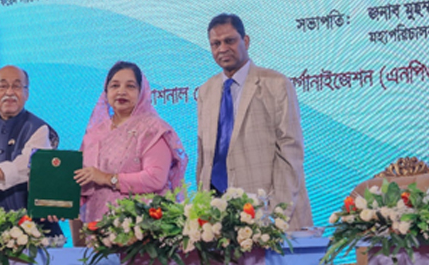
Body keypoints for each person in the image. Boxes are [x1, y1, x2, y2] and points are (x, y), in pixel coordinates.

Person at [196, 13, 312, 229]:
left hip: (267, 213)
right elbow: (204, 157)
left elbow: (290, 151)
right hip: (218, 217)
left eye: (229, 41)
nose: (222, 49)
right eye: (215, 44)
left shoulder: (275, 84)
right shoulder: (206, 91)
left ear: (245, 41)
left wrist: (277, 214)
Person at [75, 62, 188, 224]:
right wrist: (59, 206)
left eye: (130, 86)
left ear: (141, 92)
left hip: (140, 228)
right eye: (114, 86)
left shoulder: (152, 129)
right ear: (106, 92)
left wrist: (108, 178)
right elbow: (84, 179)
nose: (121, 91)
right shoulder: (95, 133)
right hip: (97, 225)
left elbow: (155, 178)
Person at [0, 66, 59, 234]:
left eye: (17, 86)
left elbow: (29, 166)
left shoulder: (39, 128)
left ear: (27, 94)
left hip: (29, 228)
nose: (9, 92)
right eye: (2, 86)